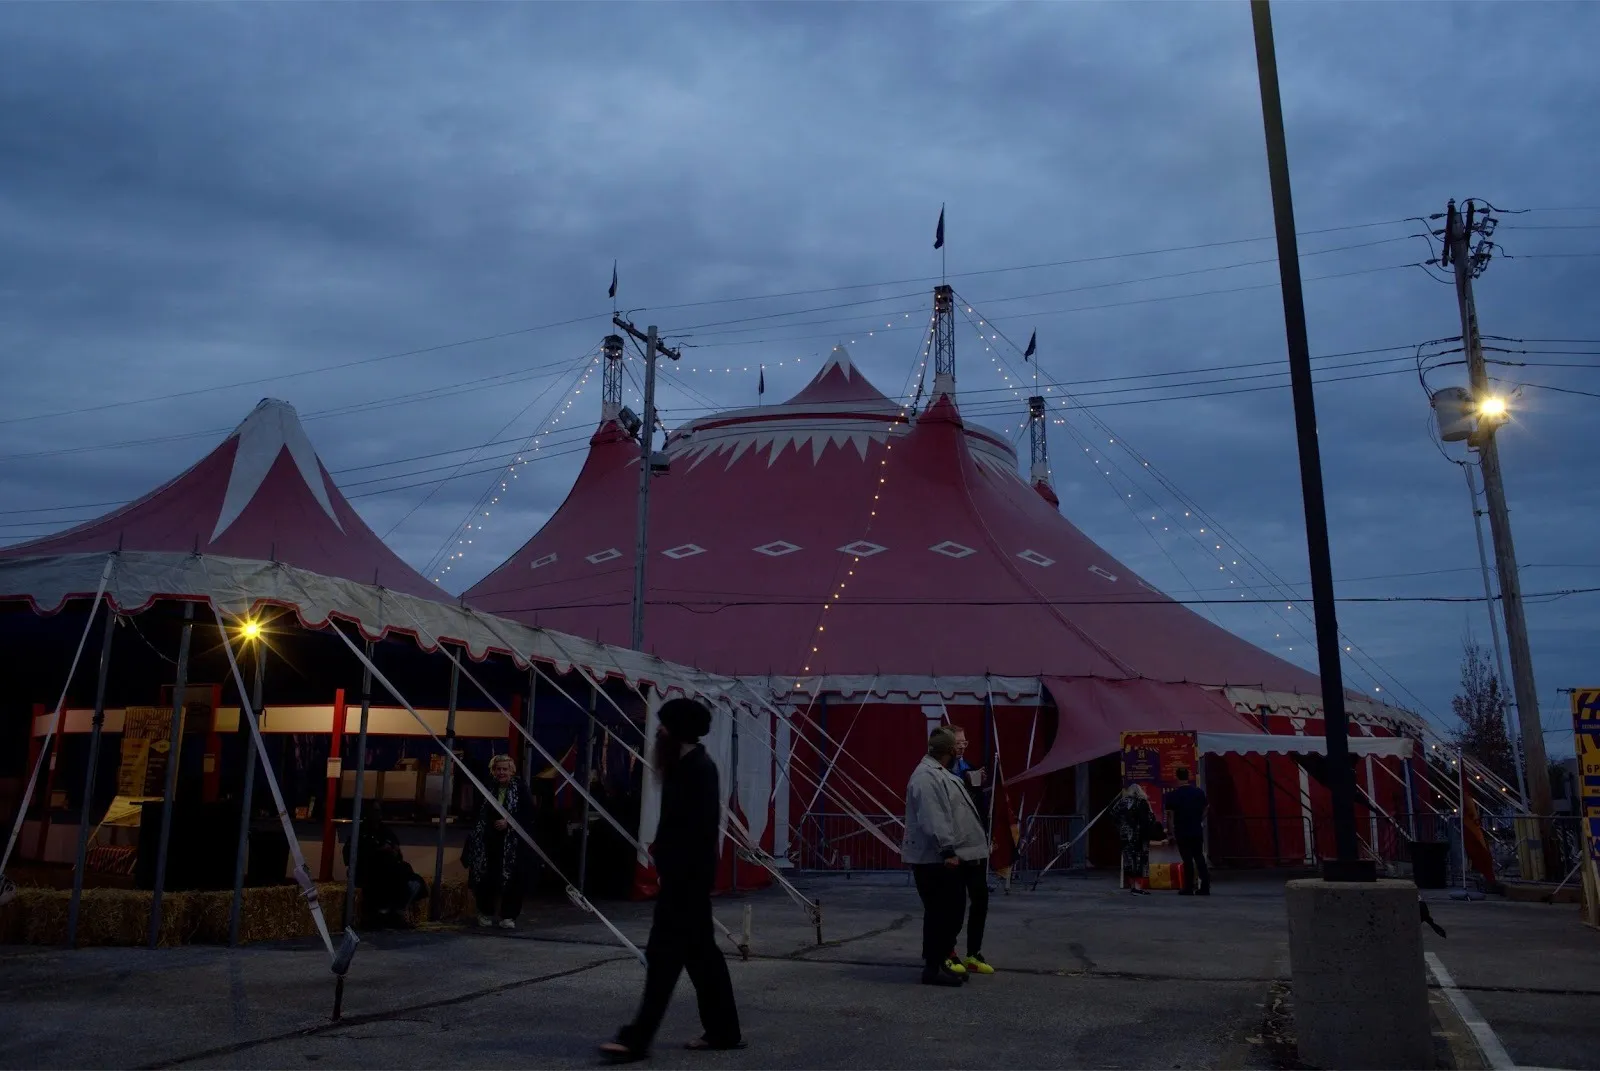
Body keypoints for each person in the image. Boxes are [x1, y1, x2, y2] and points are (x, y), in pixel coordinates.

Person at [601, 699, 742, 1063]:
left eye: (664, 725)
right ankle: (724, 1031)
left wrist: (679, 875)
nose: (659, 731)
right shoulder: (684, 766)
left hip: (685, 884)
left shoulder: (699, 770)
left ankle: (637, 1039)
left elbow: (698, 834)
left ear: (678, 729)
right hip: (683, 880)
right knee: (703, 958)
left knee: (663, 960)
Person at [902, 726, 990, 987]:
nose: (961, 751)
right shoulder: (927, 777)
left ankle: (939, 962)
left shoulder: (938, 773)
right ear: (949, 751)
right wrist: (948, 850)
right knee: (942, 913)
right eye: (957, 747)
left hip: (942, 857)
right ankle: (934, 966)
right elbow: (934, 817)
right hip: (935, 860)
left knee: (948, 912)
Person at [463, 754, 536, 929]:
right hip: (489, 840)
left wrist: (509, 822)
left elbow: (529, 813)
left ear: (512, 771)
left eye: (505, 769)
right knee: (485, 877)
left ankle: (508, 916)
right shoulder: (487, 787)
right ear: (493, 771)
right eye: (498, 769)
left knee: (513, 879)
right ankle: (484, 912)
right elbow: (478, 812)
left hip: (513, 842)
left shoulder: (520, 788)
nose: (501, 772)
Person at [947, 727, 993, 976]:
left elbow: (979, 806)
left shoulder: (971, 768)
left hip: (975, 844)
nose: (962, 745)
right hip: (953, 846)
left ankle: (974, 952)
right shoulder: (940, 772)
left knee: (980, 898)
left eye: (965, 741)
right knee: (954, 903)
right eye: (958, 742)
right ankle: (949, 952)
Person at [343, 803, 427, 927]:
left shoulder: (384, 830)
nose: (377, 814)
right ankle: (383, 913)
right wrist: (379, 850)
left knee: (413, 880)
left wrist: (394, 850)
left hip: (390, 868)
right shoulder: (361, 832)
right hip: (370, 870)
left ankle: (397, 911)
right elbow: (353, 855)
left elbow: (396, 849)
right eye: (374, 811)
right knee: (387, 879)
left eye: (378, 811)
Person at [1164, 767, 1211, 896]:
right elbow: (1206, 808)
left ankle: (1188, 887)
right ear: (1188, 777)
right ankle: (1205, 887)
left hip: (1182, 830)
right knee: (1199, 858)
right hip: (1196, 829)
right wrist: (1199, 819)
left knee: (1187, 860)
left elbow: (1170, 816)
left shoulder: (1172, 795)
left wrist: (1170, 833)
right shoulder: (1198, 793)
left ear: (1177, 778)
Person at [1110, 783, 1160, 894]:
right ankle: (1138, 888)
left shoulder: (1122, 802)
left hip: (1126, 836)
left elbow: (1113, 814)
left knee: (1128, 861)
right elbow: (1150, 819)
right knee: (1140, 861)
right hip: (1140, 837)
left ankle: (1132, 886)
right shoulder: (1142, 802)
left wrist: (1120, 827)